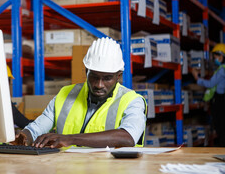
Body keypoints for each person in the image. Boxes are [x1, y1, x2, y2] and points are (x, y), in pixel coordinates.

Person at [14, 37, 147, 148]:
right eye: (94, 76)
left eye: (107, 78)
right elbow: (36, 128)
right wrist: (25, 137)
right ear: (86, 71)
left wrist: (70, 139)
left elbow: (127, 137)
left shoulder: (132, 100)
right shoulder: (65, 95)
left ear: (118, 76)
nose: (99, 85)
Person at [191, 43, 225, 147]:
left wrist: (197, 78)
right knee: (222, 125)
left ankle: (223, 148)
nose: (214, 59)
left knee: (220, 127)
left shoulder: (222, 70)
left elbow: (210, 84)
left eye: (215, 56)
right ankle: (224, 147)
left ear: (221, 56)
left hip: (219, 100)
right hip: (224, 100)